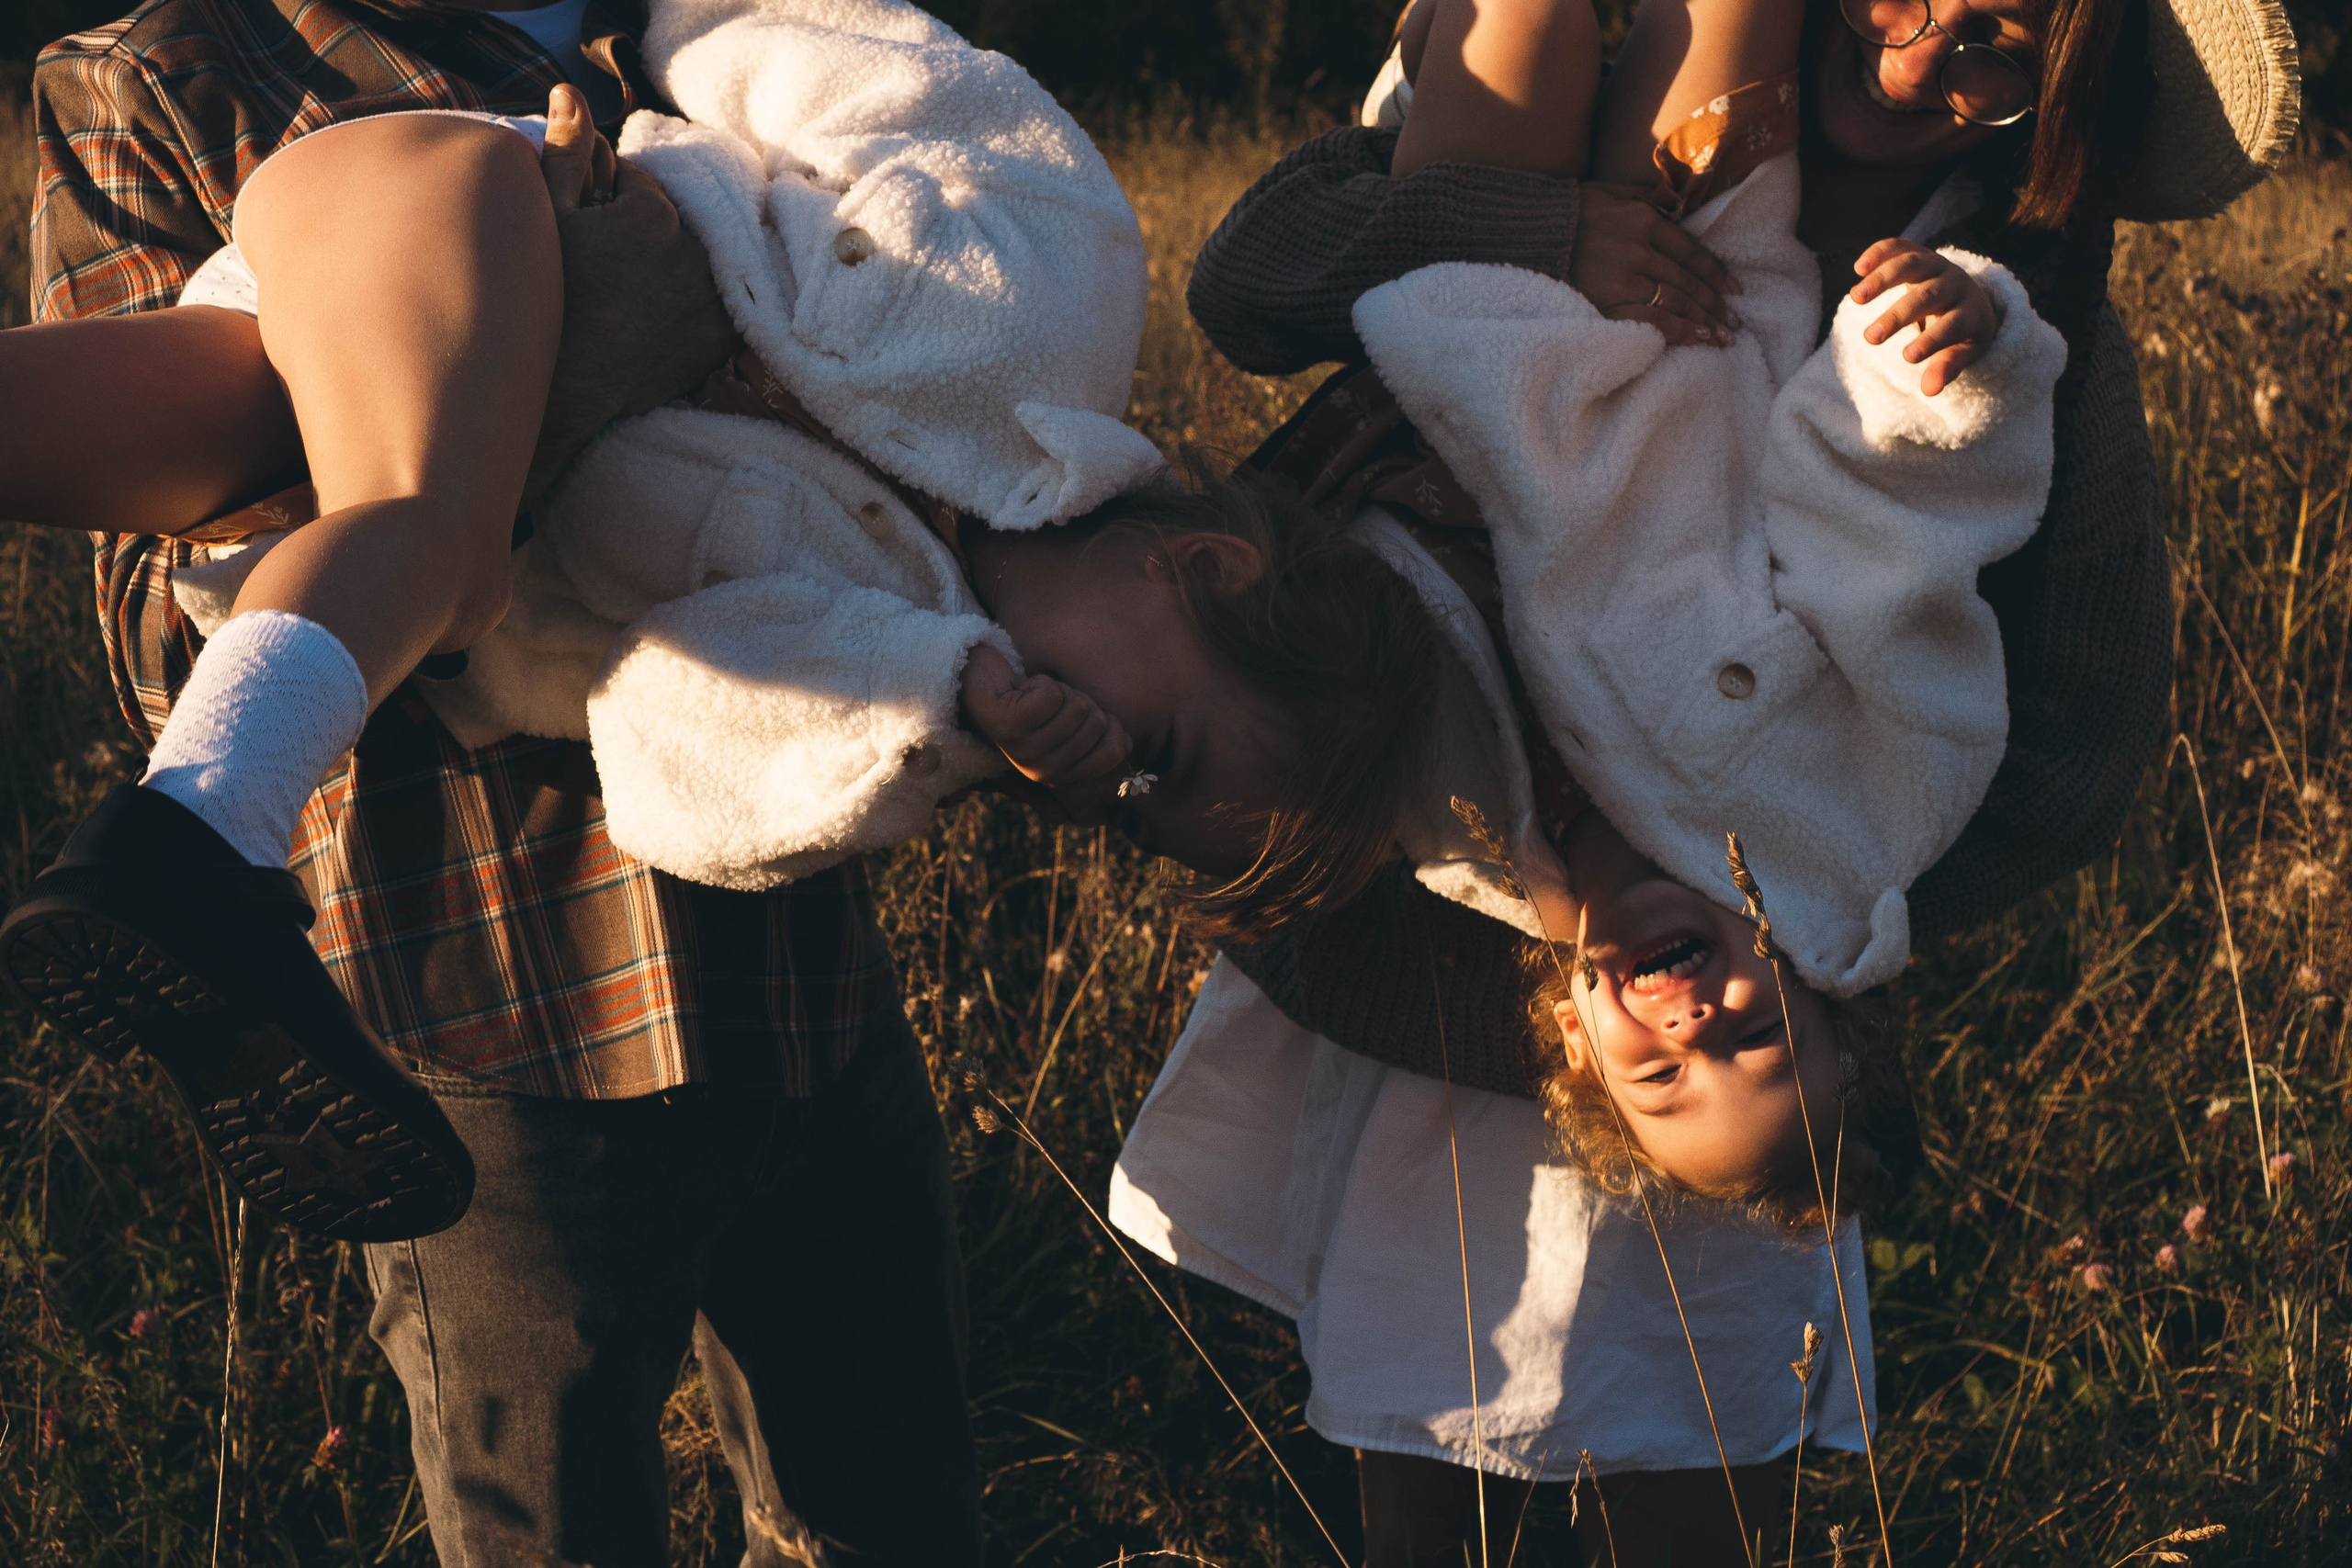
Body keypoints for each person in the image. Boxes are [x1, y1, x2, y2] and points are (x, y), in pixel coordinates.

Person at [1117, 0, 2299, 1559]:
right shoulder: (1622, 90)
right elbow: (1252, 279)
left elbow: (2080, 743)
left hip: (1728, 1036)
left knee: (1699, 1449)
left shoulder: (2017, 299)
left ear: (2067, 90)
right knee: (1423, 1412)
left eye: (2002, 42)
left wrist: (1805, 872)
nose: (1917, 53)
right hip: (1425, 958)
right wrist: (1544, 230)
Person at [17, 0, 967, 1560]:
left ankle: (182, 857)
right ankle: (185, 853)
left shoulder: (690, 30)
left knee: (886, 1527)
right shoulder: (161, 75)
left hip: (802, 967)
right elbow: (151, 644)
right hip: (498, 1017)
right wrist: (557, 385)